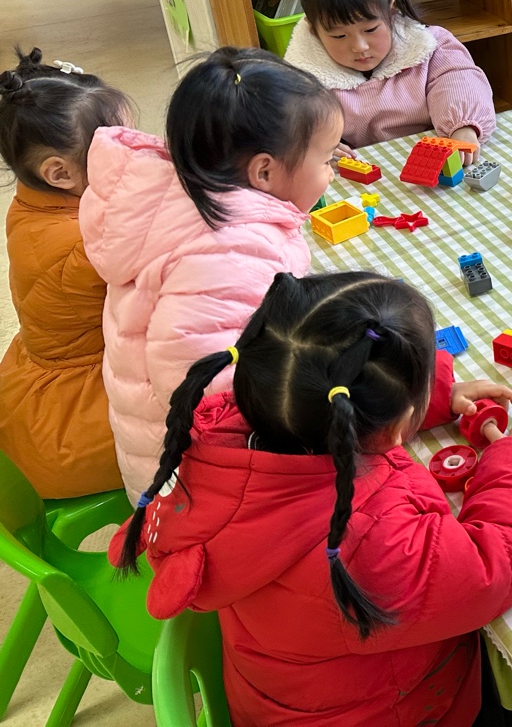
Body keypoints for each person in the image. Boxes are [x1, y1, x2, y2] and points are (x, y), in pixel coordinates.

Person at [112, 271, 512, 727]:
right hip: (394, 713)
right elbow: (491, 568)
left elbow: (318, 399)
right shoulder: (368, 543)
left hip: (287, 701)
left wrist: (423, 400)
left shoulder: (230, 440)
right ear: (392, 428)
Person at [80, 47, 340, 498]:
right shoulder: (230, 252)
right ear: (264, 172)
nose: (332, 173)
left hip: (174, 450)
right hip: (191, 485)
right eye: (327, 159)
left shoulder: (188, 197)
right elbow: (207, 391)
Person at [0, 50, 131, 497]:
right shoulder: (83, 242)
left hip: (39, 383)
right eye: (120, 149)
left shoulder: (33, 201)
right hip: (72, 426)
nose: (136, 153)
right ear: (59, 173)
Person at [284, 0, 495, 157]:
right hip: (362, 169)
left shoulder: (431, 47)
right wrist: (315, 144)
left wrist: (462, 126)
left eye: (370, 29)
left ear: (391, 12)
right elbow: (289, 121)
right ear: (313, 30)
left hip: (433, 153)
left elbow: (456, 79)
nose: (360, 47)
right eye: (339, 36)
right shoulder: (301, 79)